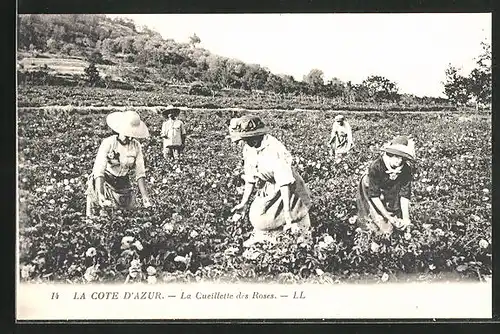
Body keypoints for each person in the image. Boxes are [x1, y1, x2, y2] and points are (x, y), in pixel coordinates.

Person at [228, 115, 312, 247]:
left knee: (294, 218)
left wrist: (287, 212)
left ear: (257, 137)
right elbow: (250, 178)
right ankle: (266, 239)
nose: (246, 142)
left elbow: (284, 183)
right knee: (259, 215)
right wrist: (244, 203)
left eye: (249, 139)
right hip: (270, 186)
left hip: (289, 188)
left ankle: (295, 242)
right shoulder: (249, 149)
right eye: (245, 140)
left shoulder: (274, 149)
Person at [85, 110, 152, 217]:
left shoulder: (136, 146)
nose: (130, 137)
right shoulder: (109, 143)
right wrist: (101, 194)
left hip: (123, 183)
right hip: (104, 182)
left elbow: (140, 172)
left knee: (126, 217)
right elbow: (99, 169)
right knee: (99, 215)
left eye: (132, 135)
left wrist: (145, 197)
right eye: (128, 134)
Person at [355, 135, 416, 235]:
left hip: (390, 187)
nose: (399, 161)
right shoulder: (377, 166)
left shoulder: (406, 169)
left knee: (395, 214)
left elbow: (404, 194)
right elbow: (374, 195)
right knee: (375, 218)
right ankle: (370, 233)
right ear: (390, 154)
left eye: (403, 158)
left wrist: (406, 218)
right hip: (369, 187)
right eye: (397, 156)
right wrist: (388, 217)